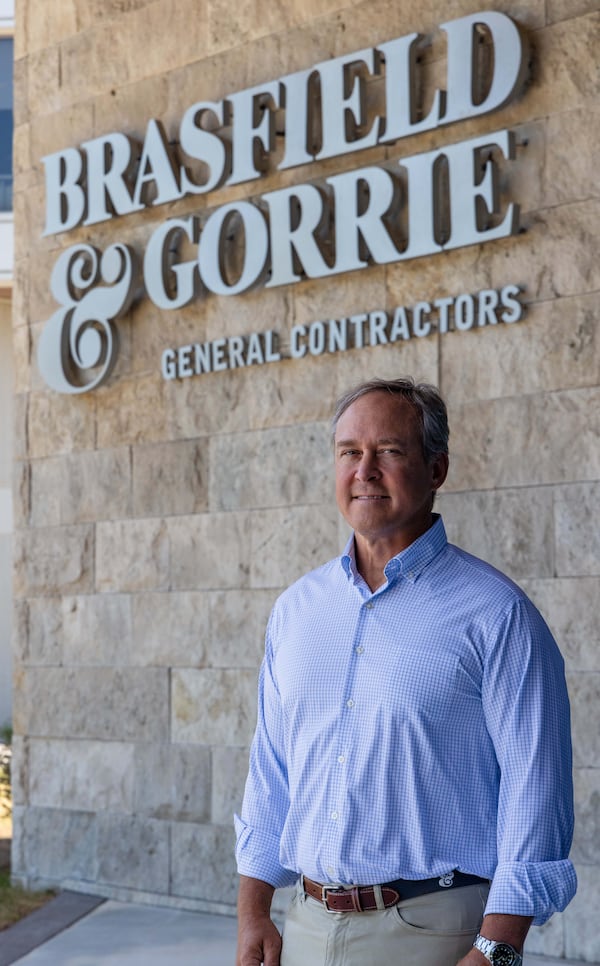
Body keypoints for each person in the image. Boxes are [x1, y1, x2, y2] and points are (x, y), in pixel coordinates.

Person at [235, 377, 576, 966]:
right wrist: (253, 911)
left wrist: (497, 948)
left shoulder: (497, 615)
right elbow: (272, 770)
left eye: (389, 451)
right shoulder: (296, 610)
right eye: (349, 452)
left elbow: (535, 793)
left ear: (437, 469)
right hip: (307, 925)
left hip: (437, 933)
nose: (364, 469)